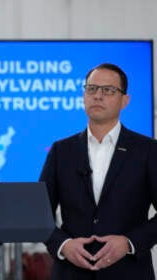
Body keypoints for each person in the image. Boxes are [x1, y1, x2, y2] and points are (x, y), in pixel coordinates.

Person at [39, 63, 157, 279]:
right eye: (91, 89)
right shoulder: (61, 151)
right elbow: (38, 212)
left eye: (108, 90)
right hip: (71, 273)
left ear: (125, 101)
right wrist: (63, 245)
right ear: (83, 96)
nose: (98, 96)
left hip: (129, 272)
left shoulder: (148, 151)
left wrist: (129, 243)